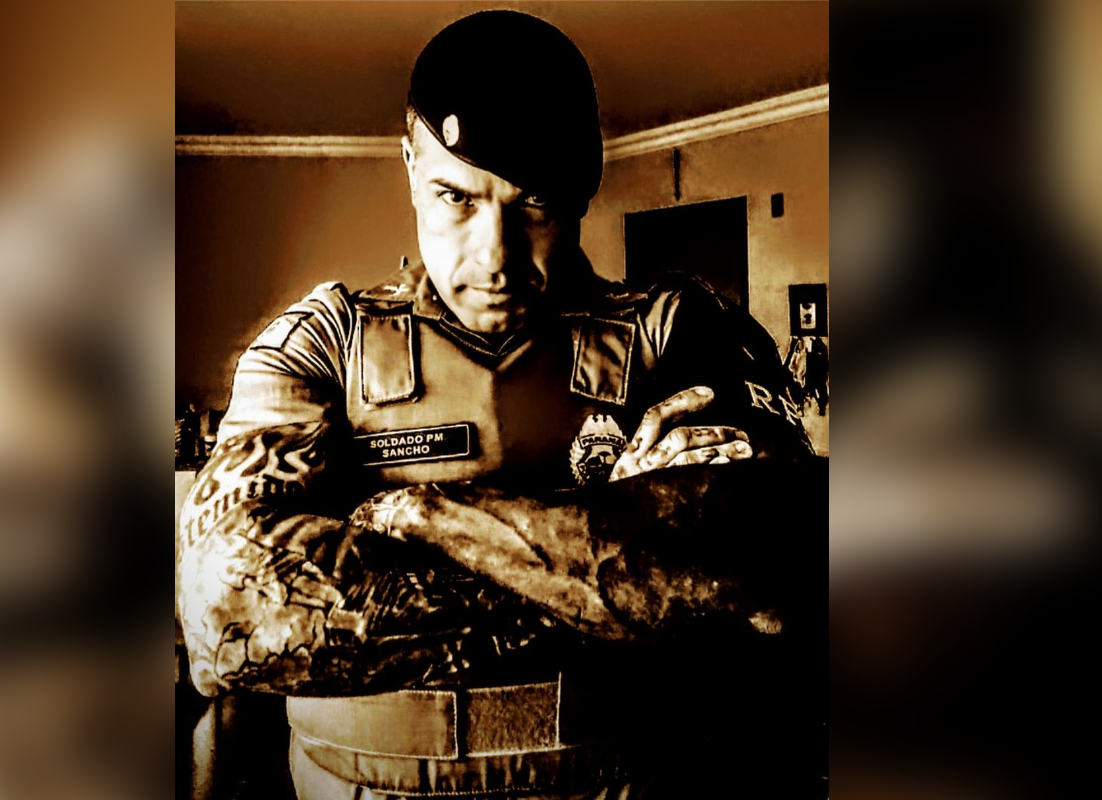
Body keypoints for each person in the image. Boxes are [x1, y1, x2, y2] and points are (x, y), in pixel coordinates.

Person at [177, 10, 822, 799]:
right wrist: (612, 566)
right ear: (410, 163)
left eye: (535, 204)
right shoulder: (321, 345)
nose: (495, 256)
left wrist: (429, 518)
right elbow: (229, 612)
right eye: (455, 197)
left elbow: (775, 553)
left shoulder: (679, 331)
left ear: (584, 184)